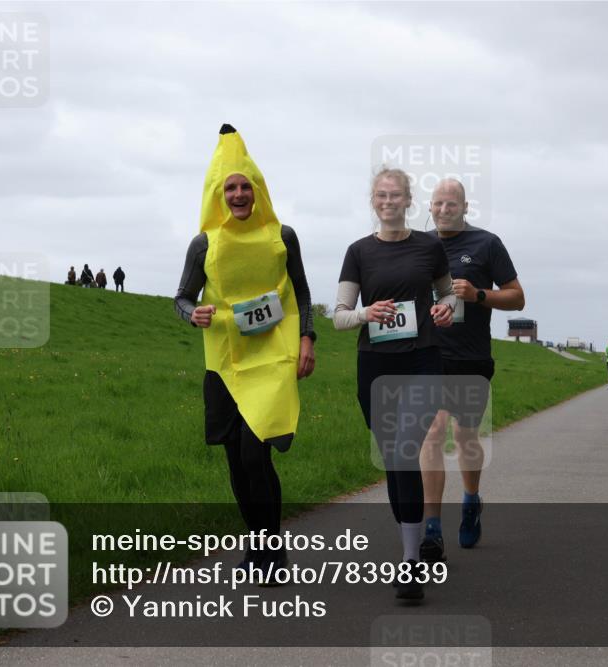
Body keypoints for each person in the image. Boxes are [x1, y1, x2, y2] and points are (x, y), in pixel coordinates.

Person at [174, 124, 316, 580]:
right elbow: (182, 297)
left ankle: (273, 551)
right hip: (223, 361)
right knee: (235, 459)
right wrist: (191, 314)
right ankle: (257, 547)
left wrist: (307, 339)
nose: (238, 194)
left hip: (271, 360)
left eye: (245, 186)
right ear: (219, 194)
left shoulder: (283, 236)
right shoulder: (204, 244)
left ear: (258, 190)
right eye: (230, 187)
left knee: (257, 455)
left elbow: (303, 293)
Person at [334, 167, 456, 600]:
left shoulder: (428, 247)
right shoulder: (358, 252)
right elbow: (340, 315)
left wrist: (447, 310)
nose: (388, 201)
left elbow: (449, 297)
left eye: (396, 195)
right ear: (374, 201)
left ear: (408, 201)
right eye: (381, 195)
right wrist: (368, 313)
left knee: (406, 447)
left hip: (423, 361)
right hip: (375, 366)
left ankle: (409, 565)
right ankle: (409, 550)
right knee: (394, 461)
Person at [418, 178, 524, 564]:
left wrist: (478, 295)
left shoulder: (486, 244)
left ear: (465, 207)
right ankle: (431, 526)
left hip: (471, 357)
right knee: (432, 432)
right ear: (429, 208)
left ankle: (471, 499)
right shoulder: (420, 245)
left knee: (464, 437)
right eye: (437, 204)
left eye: (451, 204)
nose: (443, 210)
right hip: (428, 355)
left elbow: (517, 296)